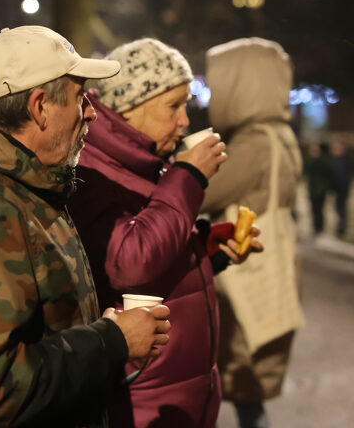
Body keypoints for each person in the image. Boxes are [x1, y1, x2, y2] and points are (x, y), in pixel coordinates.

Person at [0, 25, 172, 428]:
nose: (91, 113)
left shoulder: (22, 187)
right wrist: (111, 341)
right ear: (40, 107)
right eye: (80, 98)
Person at [68, 38, 261, 428]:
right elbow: (130, 262)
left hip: (170, 388)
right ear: (129, 107)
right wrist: (188, 176)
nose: (184, 120)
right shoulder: (92, 169)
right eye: (173, 106)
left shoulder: (143, 161)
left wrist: (204, 252)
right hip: (141, 394)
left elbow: (153, 243)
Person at [200, 37, 303, 428]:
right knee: (249, 394)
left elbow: (201, 192)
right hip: (276, 263)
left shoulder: (254, 143)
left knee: (238, 386)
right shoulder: (280, 135)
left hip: (245, 273)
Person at [305, 141, 333, 236]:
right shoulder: (328, 160)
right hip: (322, 189)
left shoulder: (317, 161)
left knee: (316, 209)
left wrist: (312, 156)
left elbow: (307, 168)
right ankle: (320, 227)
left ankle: (317, 227)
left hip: (315, 190)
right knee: (320, 209)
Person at [331, 136, 351, 239]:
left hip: (342, 188)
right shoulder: (337, 160)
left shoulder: (343, 160)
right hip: (340, 188)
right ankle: (340, 226)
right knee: (339, 207)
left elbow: (342, 176)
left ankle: (341, 228)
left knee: (341, 208)